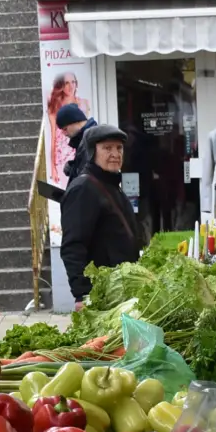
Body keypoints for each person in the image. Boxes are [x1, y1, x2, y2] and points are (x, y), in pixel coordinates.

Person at [59, 124, 141, 303]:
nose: (115, 154)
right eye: (107, 148)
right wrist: (82, 295)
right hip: (101, 295)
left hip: (121, 291)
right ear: (92, 152)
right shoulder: (84, 189)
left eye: (119, 148)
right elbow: (73, 246)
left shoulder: (111, 186)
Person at [57, 103, 97, 183]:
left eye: (65, 129)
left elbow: (88, 177)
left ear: (76, 121)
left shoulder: (90, 139)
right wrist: (73, 166)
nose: (65, 134)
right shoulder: (84, 139)